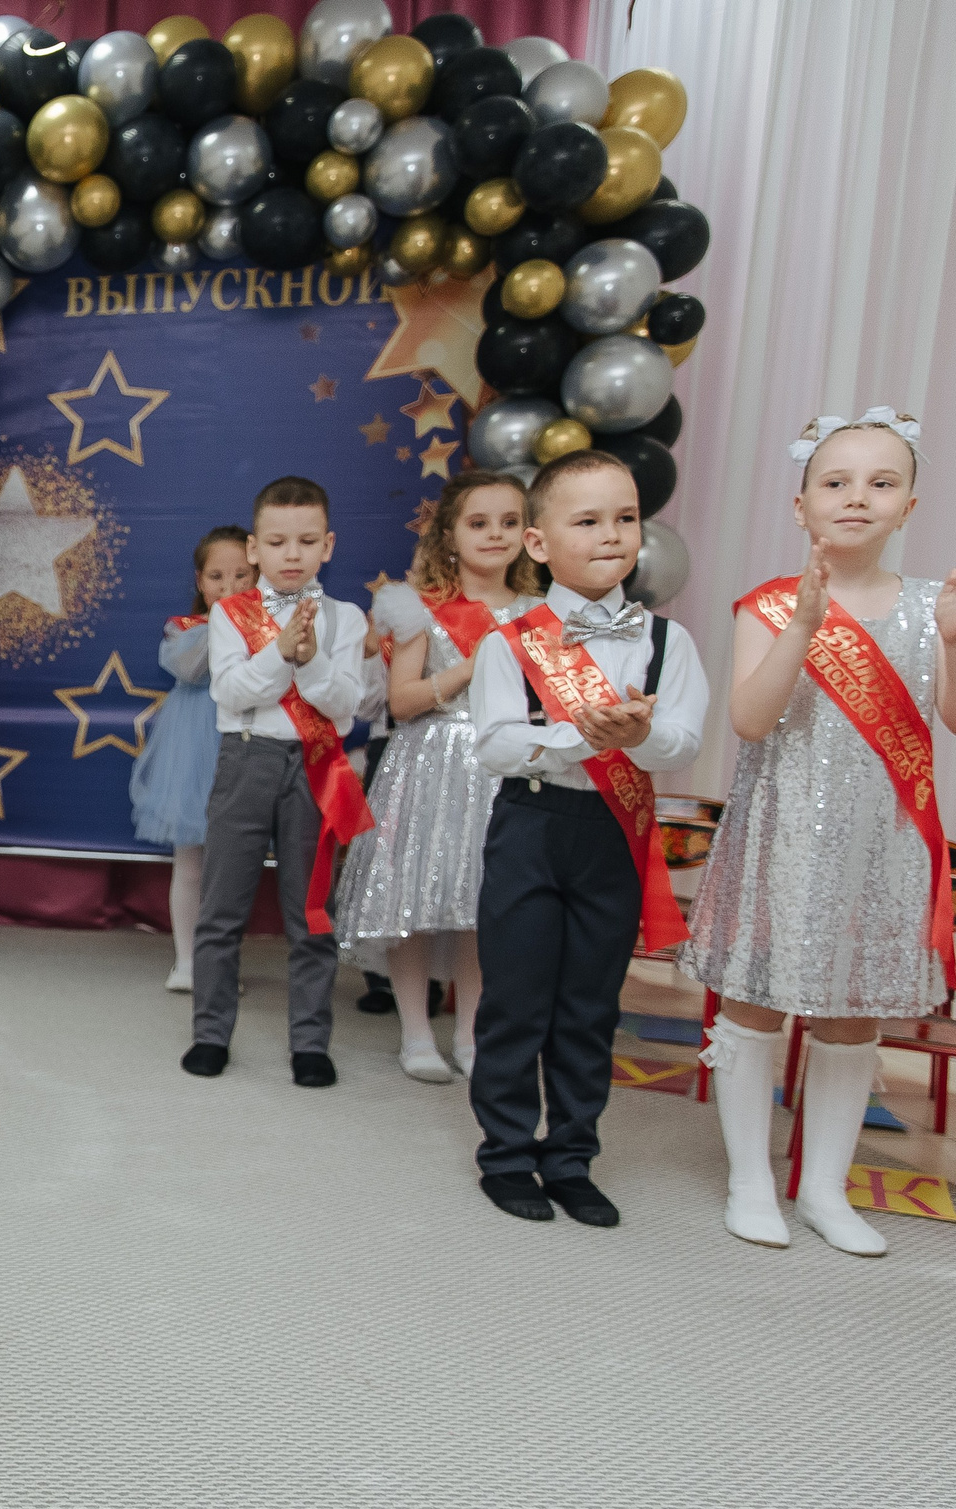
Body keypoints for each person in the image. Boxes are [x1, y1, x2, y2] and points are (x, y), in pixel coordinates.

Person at [682, 410, 947, 1255]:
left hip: (882, 844)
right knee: (755, 999)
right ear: (801, 506)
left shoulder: (932, 606)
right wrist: (802, 624)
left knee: (851, 1014)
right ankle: (749, 1180)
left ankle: (825, 1188)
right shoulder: (768, 604)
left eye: (881, 482)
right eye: (836, 482)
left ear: (909, 506)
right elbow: (751, 720)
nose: (857, 497)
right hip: (781, 833)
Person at [468, 449, 708, 1227]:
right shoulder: (510, 641)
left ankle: (571, 1157)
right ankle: (507, 1154)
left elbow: (683, 740)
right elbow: (497, 744)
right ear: (538, 543)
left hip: (613, 835)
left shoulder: (669, 642)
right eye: (588, 520)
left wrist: (638, 736)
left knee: (590, 1005)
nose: (612, 534)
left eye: (626, 517)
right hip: (531, 825)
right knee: (517, 998)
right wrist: (580, 736)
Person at [333, 471, 542, 1082]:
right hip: (428, 762)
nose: (495, 534)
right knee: (414, 901)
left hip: (502, 768)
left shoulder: (539, 613)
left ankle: (472, 1034)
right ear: (450, 534)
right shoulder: (416, 608)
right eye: (479, 523)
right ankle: (416, 1033)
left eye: (509, 522)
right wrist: (473, 666)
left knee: (482, 905)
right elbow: (401, 702)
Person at [183, 476, 370, 1088]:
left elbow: (345, 706)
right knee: (222, 907)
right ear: (254, 549)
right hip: (247, 759)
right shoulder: (230, 614)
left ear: (328, 546)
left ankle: (310, 1042)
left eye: (307, 541)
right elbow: (231, 691)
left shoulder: (347, 619)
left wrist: (310, 658)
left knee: (311, 909)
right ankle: (211, 1033)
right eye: (277, 542)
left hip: (316, 765)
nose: (292, 554)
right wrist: (281, 651)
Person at [130, 525, 251, 992]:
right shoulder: (184, 628)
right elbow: (190, 669)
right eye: (217, 577)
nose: (229, 586)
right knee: (191, 862)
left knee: (233, 867)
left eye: (241, 575)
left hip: (246, 742)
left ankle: (219, 963)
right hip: (194, 747)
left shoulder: (271, 626)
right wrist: (224, 621)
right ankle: (186, 962)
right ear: (200, 581)